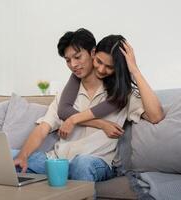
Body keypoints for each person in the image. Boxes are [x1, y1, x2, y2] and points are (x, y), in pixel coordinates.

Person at [14, 28, 130, 182]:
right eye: (68, 60)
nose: (73, 65)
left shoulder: (121, 92)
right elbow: (43, 128)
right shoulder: (66, 94)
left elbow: (156, 114)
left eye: (77, 57)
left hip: (95, 161)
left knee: (81, 164)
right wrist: (23, 156)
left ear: (93, 53)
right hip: (59, 161)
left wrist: (133, 69)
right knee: (9, 156)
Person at [57, 35, 164, 138]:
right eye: (99, 61)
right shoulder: (80, 75)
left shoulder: (123, 93)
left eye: (109, 67)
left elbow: (156, 116)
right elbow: (63, 111)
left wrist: (135, 70)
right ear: (93, 54)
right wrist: (101, 123)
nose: (101, 70)